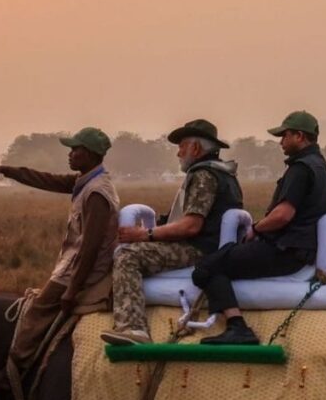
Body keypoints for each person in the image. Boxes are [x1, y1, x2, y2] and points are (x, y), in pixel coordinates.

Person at [0, 127, 119, 374]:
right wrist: (5, 170)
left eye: (75, 150)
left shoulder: (96, 193)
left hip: (80, 270)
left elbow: (89, 248)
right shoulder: (86, 182)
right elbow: (44, 179)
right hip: (74, 265)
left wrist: (72, 289)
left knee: (36, 313)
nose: (70, 154)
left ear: (91, 154)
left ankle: (17, 371)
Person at [191, 110, 326, 344]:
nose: (281, 142)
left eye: (285, 135)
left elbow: (283, 214)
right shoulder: (320, 166)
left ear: (299, 136)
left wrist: (257, 229)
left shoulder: (300, 168)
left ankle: (237, 327)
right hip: (302, 250)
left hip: (285, 250)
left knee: (207, 266)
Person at [101, 119, 243, 346]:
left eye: (182, 146)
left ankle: (133, 328)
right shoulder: (225, 173)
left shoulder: (204, 176)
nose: (178, 153)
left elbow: (191, 226)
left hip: (199, 248)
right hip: (214, 246)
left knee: (127, 255)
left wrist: (144, 234)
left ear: (196, 148)